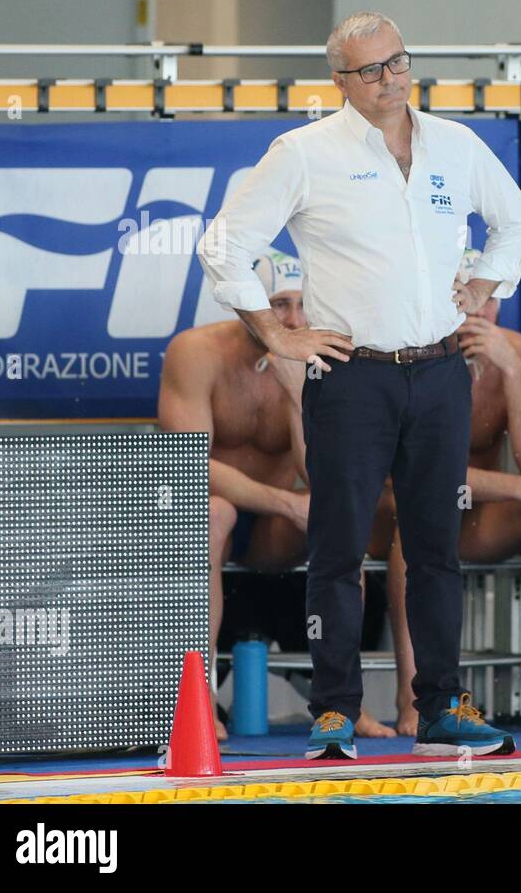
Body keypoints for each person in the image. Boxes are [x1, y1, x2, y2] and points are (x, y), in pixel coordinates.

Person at [196, 10, 521, 759]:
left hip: (443, 370)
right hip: (353, 379)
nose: (390, 79)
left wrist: (486, 285)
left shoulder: (456, 144)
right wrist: (275, 332)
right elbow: (224, 244)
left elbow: (517, 220)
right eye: (371, 69)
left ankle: (442, 708)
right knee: (338, 547)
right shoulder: (305, 152)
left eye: (398, 63)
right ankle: (334, 712)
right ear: (340, 80)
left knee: (436, 548)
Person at [309, 252, 521, 735]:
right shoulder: (400, 355)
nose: (477, 315)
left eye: (486, 301)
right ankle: (414, 700)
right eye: (464, 301)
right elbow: (393, 473)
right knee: (418, 525)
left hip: (470, 513)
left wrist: (512, 372)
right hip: (393, 508)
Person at [159, 251, 397, 740]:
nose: (290, 320)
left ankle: (342, 701)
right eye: (277, 305)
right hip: (215, 511)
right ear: (246, 304)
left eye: (300, 305)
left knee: (339, 524)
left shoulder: (323, 356)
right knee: (215, 513)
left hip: (270, 530)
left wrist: (295, 394)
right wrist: (286, 502)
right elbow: (188, 465)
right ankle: (199, 697)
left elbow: (322, 472)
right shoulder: (195, 353)